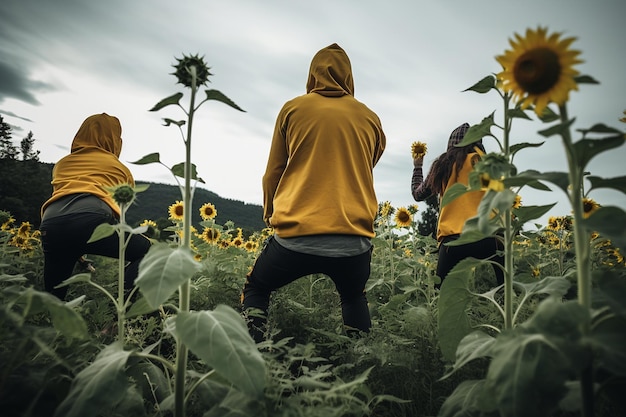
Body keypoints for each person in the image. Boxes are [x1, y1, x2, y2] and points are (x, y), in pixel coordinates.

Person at [241, 43, 386, 342]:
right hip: (353, 239)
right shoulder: (370, 118)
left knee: (257, 287)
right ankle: (361, 362)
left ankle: (254, 355)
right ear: (349, 77)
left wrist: (270, 214)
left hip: (296, 236)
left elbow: (273, 172)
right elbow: (367, 164)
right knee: (353, 298)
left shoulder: (293, 109)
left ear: (312, 74)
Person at [39, 113, 151, 300]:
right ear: (114, 139)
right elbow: (117, 217)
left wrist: (81, 259)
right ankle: (119, 316)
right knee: (149, 253)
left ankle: (43, 326)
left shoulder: (62, 164)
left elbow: (67, 215)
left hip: (51, 225)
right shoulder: (120, 169)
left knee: (53, 297)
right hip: (94, 219)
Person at [411, 123, 504, 288]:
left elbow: (418, 194)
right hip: (488, 238)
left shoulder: (444, 165)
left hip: (453, 242)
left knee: (441, 295)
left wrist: (417, 166)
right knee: (506, 286)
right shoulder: (484, 163)